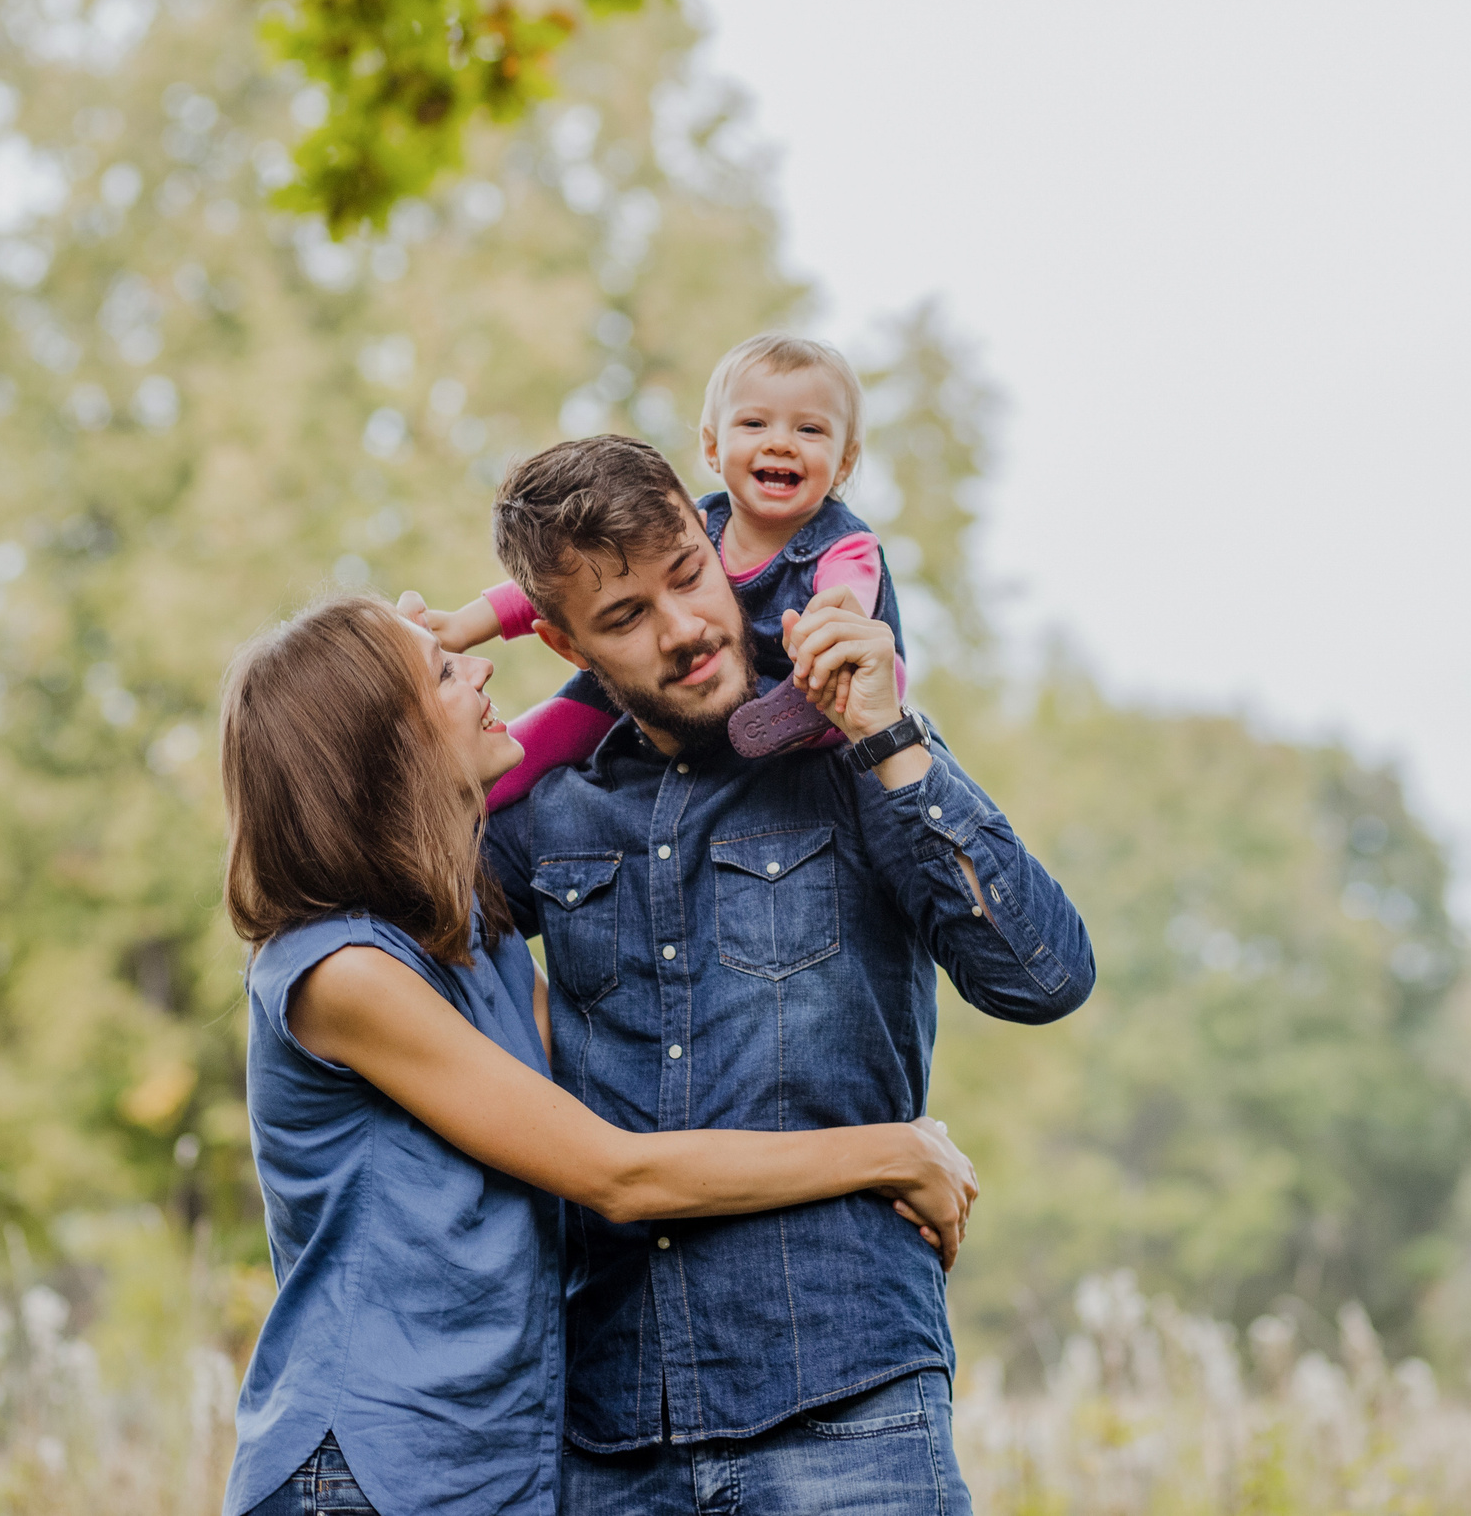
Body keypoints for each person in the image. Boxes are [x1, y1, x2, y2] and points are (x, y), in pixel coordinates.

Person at [433, 433, 1097, 1516]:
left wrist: (889, 732)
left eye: (688, 576)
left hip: (850, 1406)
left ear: (714, 540)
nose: (685, 630)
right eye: (624, 617)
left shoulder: (858, 760)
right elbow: (389, 939)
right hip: (611, 1435)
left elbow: (1042, 977)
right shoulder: (544, 815)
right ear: (560, 640)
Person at [215, 593, 980, 1516]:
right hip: (364, 1472)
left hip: (495, 1473)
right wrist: (893, 1150)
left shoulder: (478, 937)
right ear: (384, 745)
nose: (483, 668)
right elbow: (617, 1169)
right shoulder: (339, 974)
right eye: (446, 672)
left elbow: (626, 1096)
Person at [425, 334, 904, 811]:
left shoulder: (845, 544)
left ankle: (806, 721)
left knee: (869, 681)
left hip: (803, 677)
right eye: (755, 423)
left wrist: (829, 648)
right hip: (670, 683)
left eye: (810, 431)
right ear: (713, 447)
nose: (780, 443)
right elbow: (564, 580)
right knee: (557, 722)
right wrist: (463, 626)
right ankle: (455, 796)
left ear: (844, 462)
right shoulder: (690, 518)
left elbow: (846, 606)